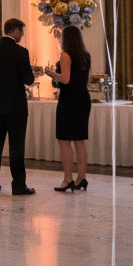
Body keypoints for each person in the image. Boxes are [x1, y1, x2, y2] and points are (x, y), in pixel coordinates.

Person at [0, 18, 36, 195]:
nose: (22, 35)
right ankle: (18, 185)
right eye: (22, 31)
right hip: (15, 106)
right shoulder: (21, 52)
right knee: (16, 146)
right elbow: (29, 80)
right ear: (15, 31)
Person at [46, 24, 91, 192]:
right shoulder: (86, 55)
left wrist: (52, 74)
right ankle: (81, 178)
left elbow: (65, 79)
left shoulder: (65, 55)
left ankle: (67, 180)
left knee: (64, 141)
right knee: (79, 140)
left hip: (69, 100)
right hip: (83, 99)